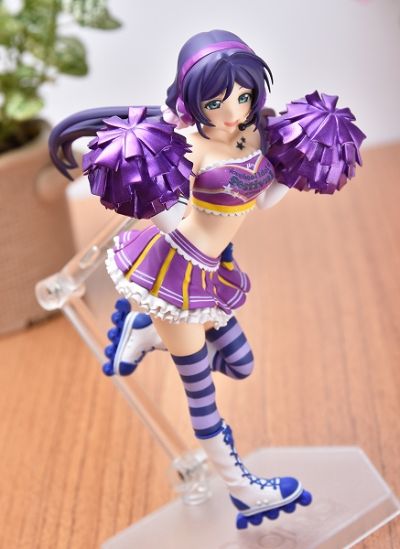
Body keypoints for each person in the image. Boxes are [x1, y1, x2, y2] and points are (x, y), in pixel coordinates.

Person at [50, 28, 364, 529]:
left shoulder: (257, 133)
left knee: (241, 364)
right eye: (216, 102)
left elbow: (262, 200)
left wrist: (296, 167)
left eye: (243, 96)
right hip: (175, 277)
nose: (232, 111)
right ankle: (242, 490)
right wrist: (153, 190)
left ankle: (145, 332)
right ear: (191, 98)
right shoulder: (186, 147)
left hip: (213, 273)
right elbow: (169, 219)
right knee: (201, 394)